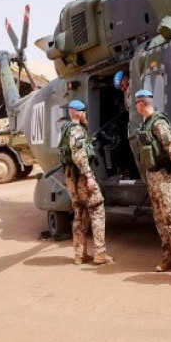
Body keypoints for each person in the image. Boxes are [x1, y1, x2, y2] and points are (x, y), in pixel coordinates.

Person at [131, 90, 171, 275]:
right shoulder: (146, 123)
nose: (136, 107)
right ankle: (168, 256)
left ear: (141, 104)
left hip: (165, 177)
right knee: (159, 219)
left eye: (136, 103)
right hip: (153, 178)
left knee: (170, 217)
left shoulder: (158, 123)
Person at [58, 99, 113, 266]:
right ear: (76, 112)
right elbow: (79, 155)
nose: (84, 114)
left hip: (71, 176)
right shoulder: (76, 129)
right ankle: (100, 253)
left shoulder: (65, 129)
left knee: (79, 212)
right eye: (82, 111)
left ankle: (80, 254)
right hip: (81, 176)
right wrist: (89, 176)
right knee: (97, 208)